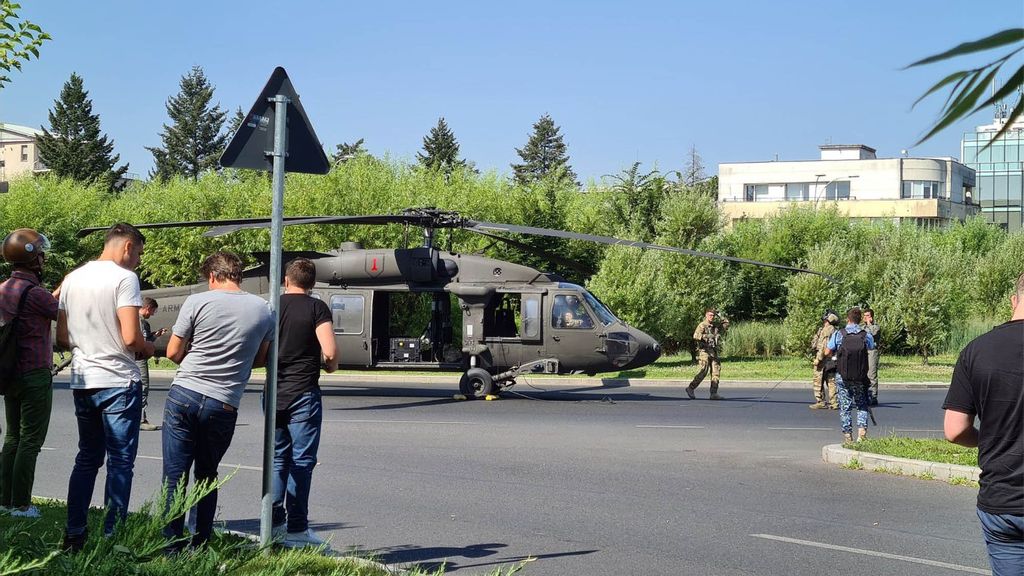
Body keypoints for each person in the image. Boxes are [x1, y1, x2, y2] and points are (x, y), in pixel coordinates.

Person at [161, 251, 273, 551]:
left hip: (184, 394)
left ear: (213, 276)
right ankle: (199, 543)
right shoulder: (264, 309)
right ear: (238, 275)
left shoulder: (197, 301)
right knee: (206, 475)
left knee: (175, 475)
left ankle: (170, 547)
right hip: (224, 402)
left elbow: (172, 352)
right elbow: (261, 358)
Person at [57, 223, 154, 550]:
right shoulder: (125, 279)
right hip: (117, 381)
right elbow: (130, 337)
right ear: (127, 246)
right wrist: (148, 347)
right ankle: (113, 536)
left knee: (87, 458)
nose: (138, 260)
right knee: (120, 462)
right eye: (138, 253)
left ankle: (74, 534)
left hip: (83, 380)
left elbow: (60, 337)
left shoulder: (72, 278)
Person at [943, 272, 1024, 576]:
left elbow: (955, 430)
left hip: (1001, 501)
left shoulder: (976, 351)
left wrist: (988, 437)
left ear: (1013, 300)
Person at [270, 258, 338, 548]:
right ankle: (297, 529)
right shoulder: (316, 307)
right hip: (303, 394)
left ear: (286, 280)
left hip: (274, 392)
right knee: (301, 462)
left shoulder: (272, 307)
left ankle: (271, 523)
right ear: (312, 284)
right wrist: (329, 366)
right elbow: (330, 351)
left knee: (276, 460)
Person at [0, 229, 59, 518]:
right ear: (33, 258)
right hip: (34, 373)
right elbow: (60, 310)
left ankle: (4, 500)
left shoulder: (2, 289)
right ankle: (22, 504)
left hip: (8, 372)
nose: (44, 257)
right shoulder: (36, 294)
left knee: (12, 438)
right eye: (40, 252)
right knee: (31, 440)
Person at [824, 307, 875, 443]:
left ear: (848, 319)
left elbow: (827, 351)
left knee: (845, 406)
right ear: (860, 320)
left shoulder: (840, 334)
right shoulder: (865, 334)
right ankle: (862, 434)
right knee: (861, 404)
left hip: (842, 375)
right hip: (860, 376)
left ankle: (848, 436)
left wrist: (836, 355)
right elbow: (871, 347)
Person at [686, 308, 728, 400]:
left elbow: (726, 325)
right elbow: (695, 335)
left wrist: (720, 315)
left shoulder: (715, 325)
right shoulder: (702, 325)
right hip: (704, 351)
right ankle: (691, 388)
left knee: (716, 372)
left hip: (713, 351)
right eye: (710, 315)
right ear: (706, 315)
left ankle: (714, 393)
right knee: (703, 371)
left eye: (713, 315)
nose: (711, 317)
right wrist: (707, 336)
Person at [138, 297, 167, 431]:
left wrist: (156, 335)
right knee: (143, 387)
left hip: (129, 359)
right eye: (153, 311)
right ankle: (141, 420)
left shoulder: (131, 318)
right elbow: (144, 342)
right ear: (148, 308)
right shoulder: (142, 322)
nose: (153, 314)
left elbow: (145, 337)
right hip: (139, 359)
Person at [809, 311, 839, 410]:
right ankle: (834, 402)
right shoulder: (833, 329)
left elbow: (823, 346)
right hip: (832, 359)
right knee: (831, 380)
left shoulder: (827, 330)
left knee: (818, 380)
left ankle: (821, 401)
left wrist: (818, 358)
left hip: (824, 360)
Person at [862, 307, 880, 406]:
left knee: (871, 375)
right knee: (863, 374)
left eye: (867, 316)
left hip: (872, 351)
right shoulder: (862, 327)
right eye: (864, 316)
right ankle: (864, 395)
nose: (865, 318)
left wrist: (869, 324)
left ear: (872, 317)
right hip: (863, 351)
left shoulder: (875, 327)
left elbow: (872, 333)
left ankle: (873, 396)